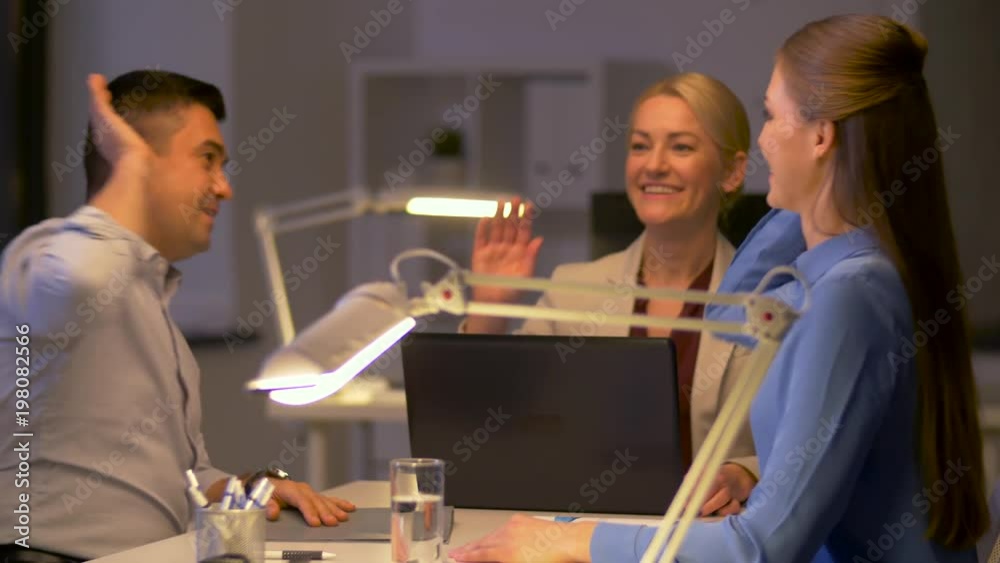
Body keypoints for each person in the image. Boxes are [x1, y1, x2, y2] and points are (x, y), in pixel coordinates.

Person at [449, 14, 988, 562]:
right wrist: (819, 192)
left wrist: (572, 540)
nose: (763, 139)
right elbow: (730, 322)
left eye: (771, 115)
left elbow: (762, 548)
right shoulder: (836, 274)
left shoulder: (850, 294)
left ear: (821, 136)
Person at [0, 70, 355, 562]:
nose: (224, 187)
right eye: (207, 159)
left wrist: (250, 488)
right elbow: (81, 277)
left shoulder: (151, 303)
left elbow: (182, 481)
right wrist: (130, 165)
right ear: (133, 157)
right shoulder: (42, 255)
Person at [463, 72, 760, 517]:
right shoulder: (571, 291)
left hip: (705, 540)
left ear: (733, 171)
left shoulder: (769, 304)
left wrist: (747, 472)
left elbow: (810, 442)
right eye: (640, 146)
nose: (653, 165)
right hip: (583, 535)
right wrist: (488, 308)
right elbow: (484, 424)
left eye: (681, 147)